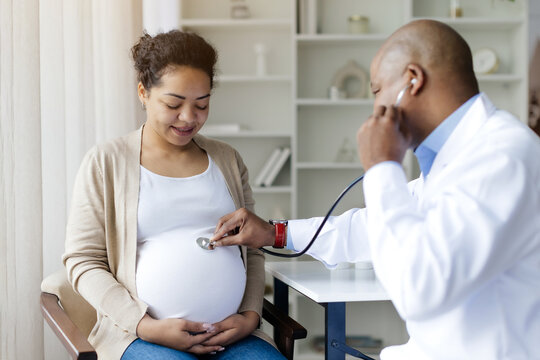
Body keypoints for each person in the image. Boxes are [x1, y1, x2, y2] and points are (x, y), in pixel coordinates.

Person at [210, 20, 540, 359]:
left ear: (413, 79)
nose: (373, 109)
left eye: (377, 90)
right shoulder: (454, 159)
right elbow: (365, 229)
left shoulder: (500, 156)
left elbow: (419, 290)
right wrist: (273, 233)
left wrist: (383, 166)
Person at [62, 30, 285, 360]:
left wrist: (250, 316)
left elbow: (252, 251)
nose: (188, 118)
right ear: (143, 93)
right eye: (173, 104)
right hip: (142, 336)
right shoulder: (106, 162)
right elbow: (82, 261)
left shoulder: (227, 159)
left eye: (202, 105)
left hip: (234, 336)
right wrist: (144, 325)